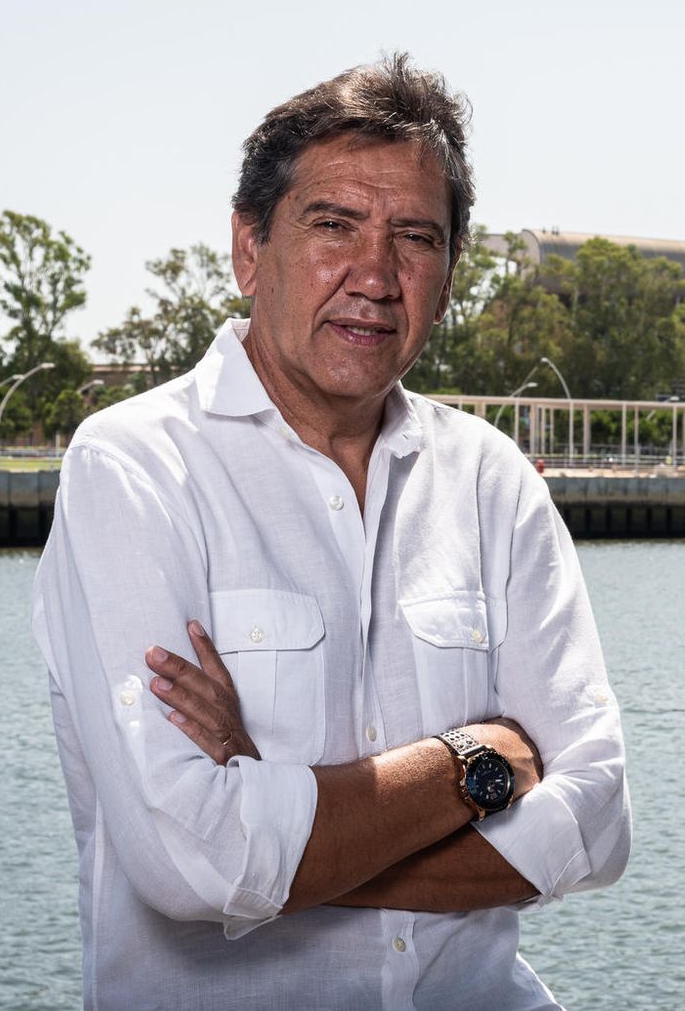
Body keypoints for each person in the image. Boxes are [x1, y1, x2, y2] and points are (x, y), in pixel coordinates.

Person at [33, 55, 631, 1010]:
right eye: (333, 225)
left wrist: (283, 832)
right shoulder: (135, 469)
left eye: (415, 238)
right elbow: (194, 861)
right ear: (246, 247)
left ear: (448, 273)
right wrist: (478, 763)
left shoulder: (492, 481)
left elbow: (596, 823)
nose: (376, 275)